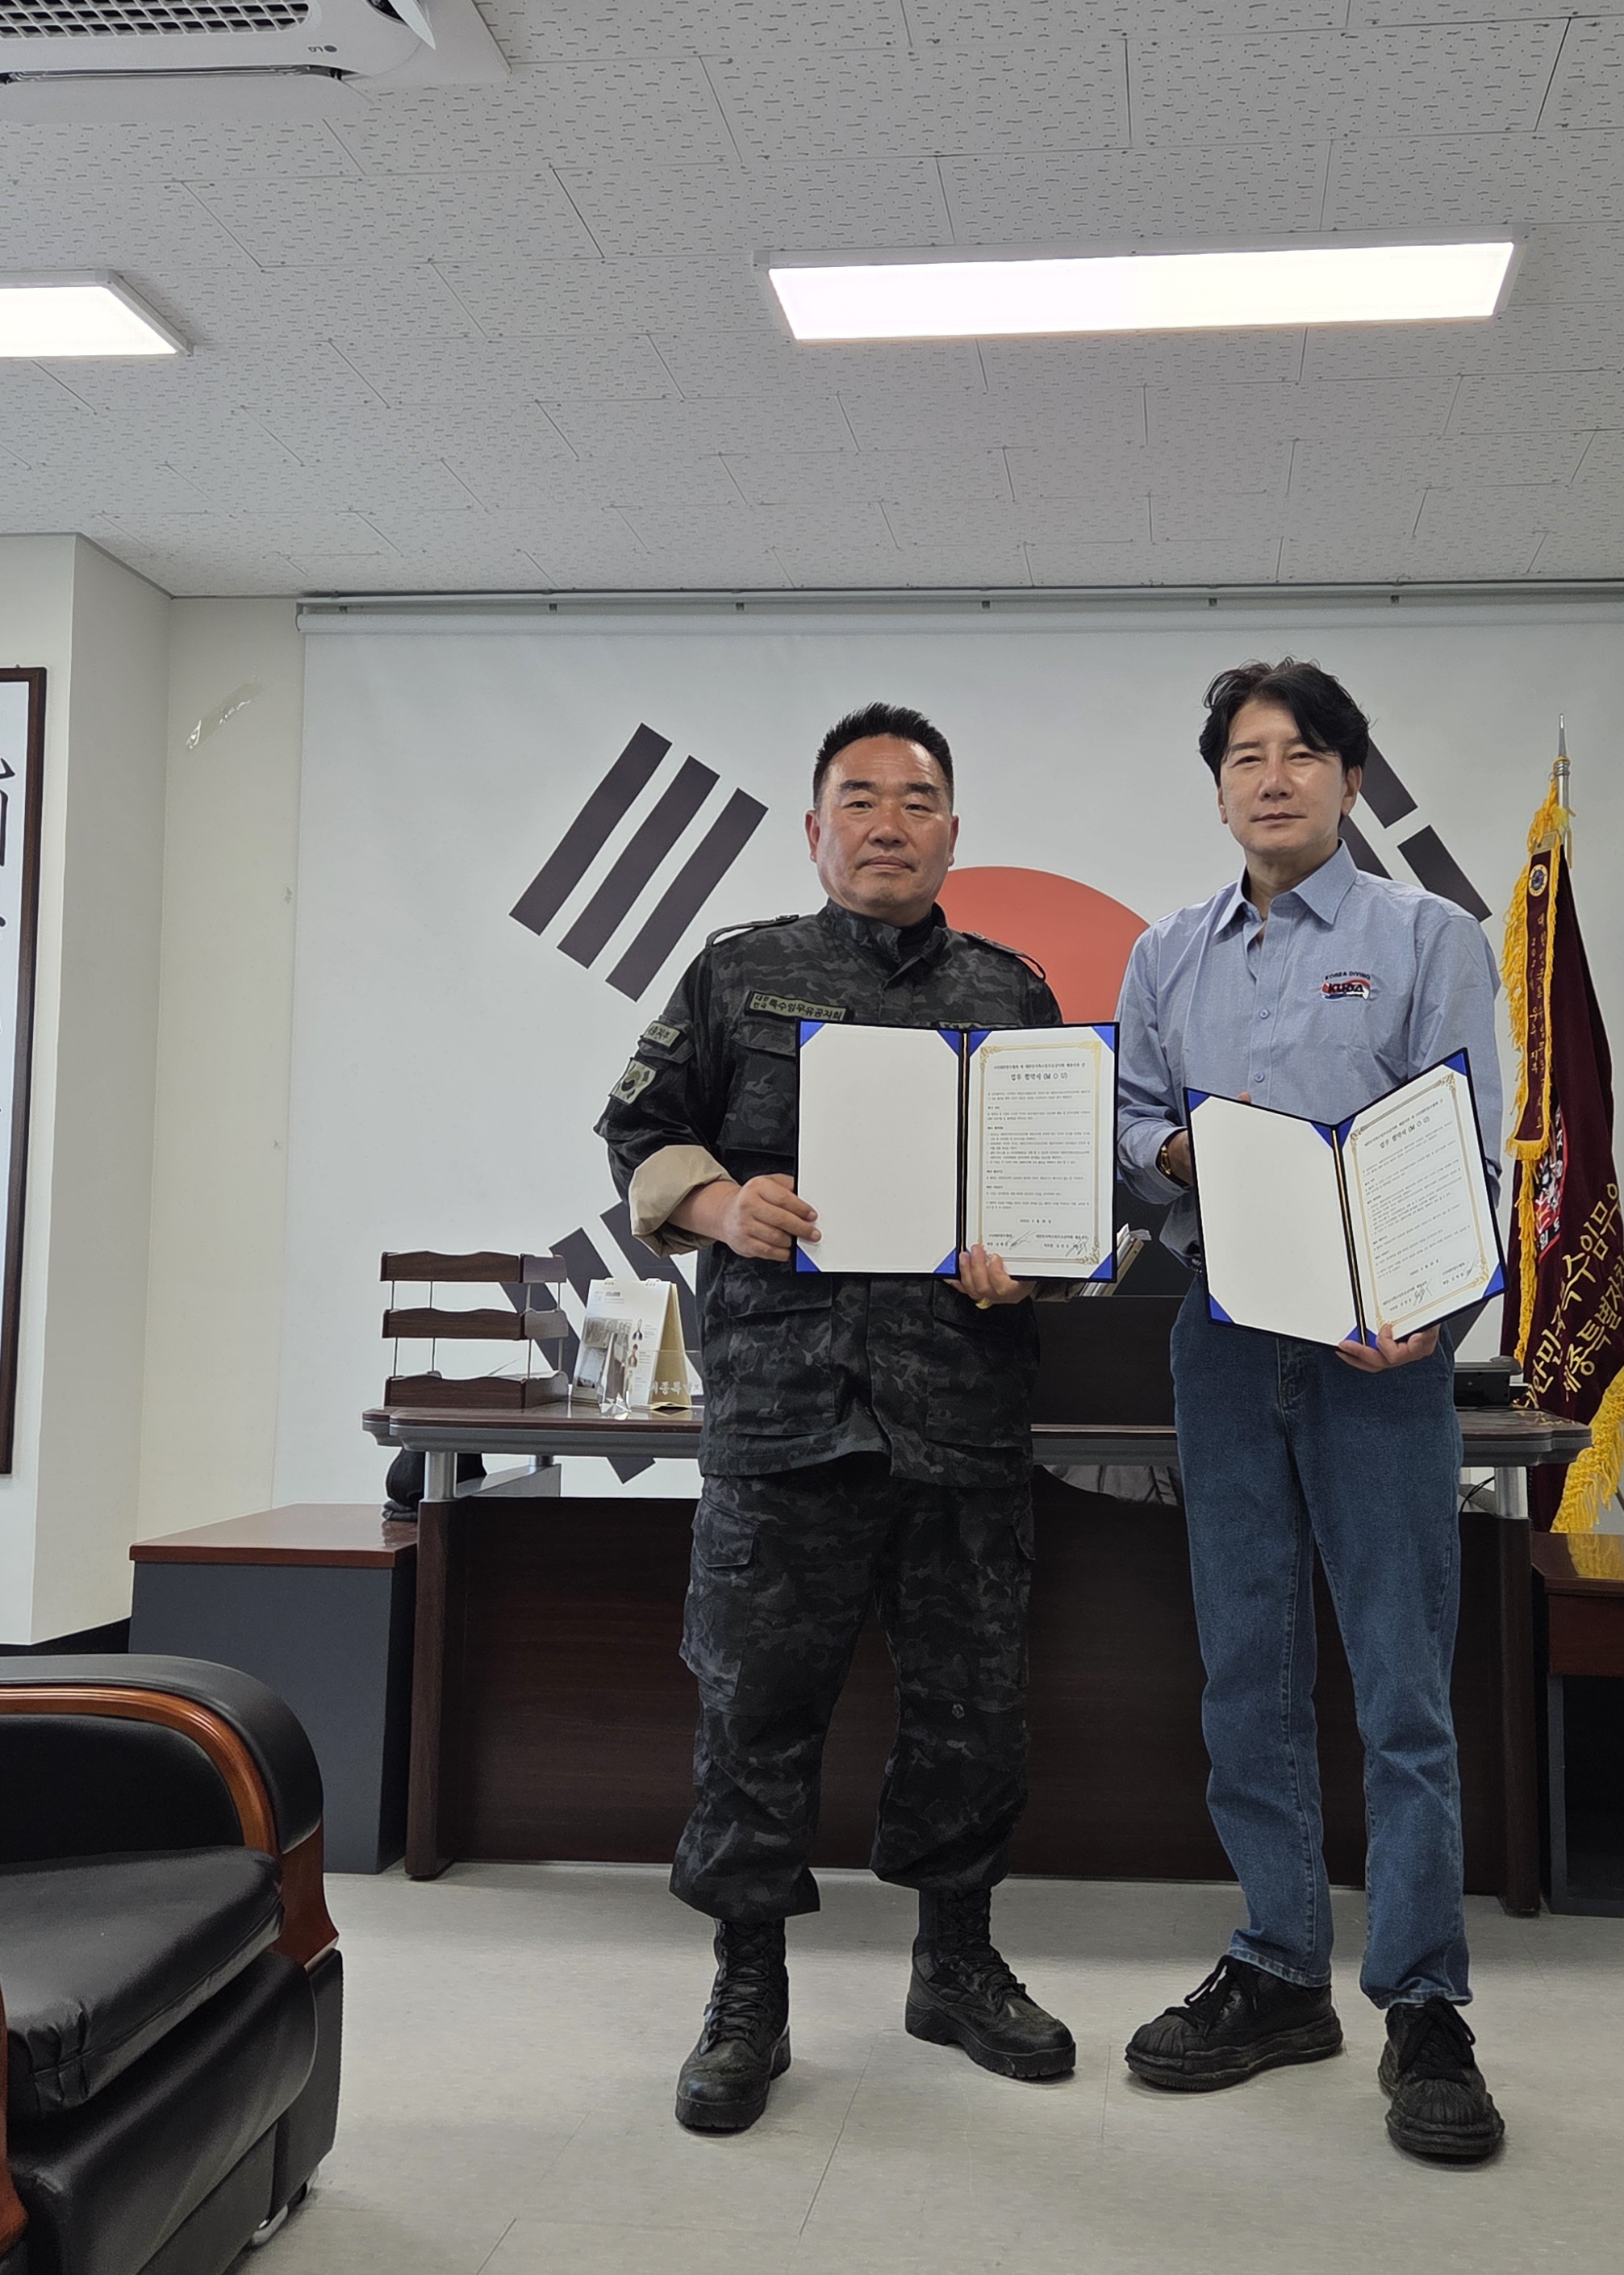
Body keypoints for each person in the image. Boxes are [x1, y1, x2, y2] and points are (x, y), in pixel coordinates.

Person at [596, 702, 1076, 2135]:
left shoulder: (1012, 993)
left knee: (972, 1708)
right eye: (859, 800)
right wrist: (717, 1203)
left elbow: (1060, 1190)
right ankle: (748, 1988)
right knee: (754, 1709)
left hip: (961, 1412)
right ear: (815, 830)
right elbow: (637, 1130)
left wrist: (1033, 1262)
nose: (887, 825)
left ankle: (956, 1962)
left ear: (951, 833)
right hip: (783, 1415)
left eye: (916, 801)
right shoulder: (738, 974)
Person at [1109, 658, 1509, 2164]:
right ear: (1218, 788)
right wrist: (1178, 1156)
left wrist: (1432, 1318)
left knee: (1402, 1687)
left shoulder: (1426, 937)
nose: (1270, 779)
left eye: (1300, 753)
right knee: (1246, 1674)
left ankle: (1424, 2002)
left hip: (1376, 1349)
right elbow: (1132, 1122)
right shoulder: (1167, 954)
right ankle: (1280, 1967)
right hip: (1222, 1334)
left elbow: (1466, 1146)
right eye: (1244, 757)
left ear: (1348, 779)